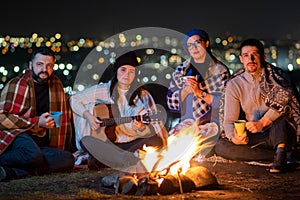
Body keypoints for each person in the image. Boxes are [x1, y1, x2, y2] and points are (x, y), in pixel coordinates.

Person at [70, 51, 168, 169]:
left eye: (132, 71)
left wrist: (141, 128)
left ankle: (109, 160)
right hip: (108, 145)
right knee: (86, 141)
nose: (127, 74)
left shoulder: (143, 96)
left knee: (155, 141)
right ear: (116, 71)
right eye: (123, 70)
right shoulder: (103, 90)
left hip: (131, 144)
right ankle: (124, 159)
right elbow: (74, 99)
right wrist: (88, 116)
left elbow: (154, 127)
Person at [215, 38, 300, 173]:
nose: (251, 59)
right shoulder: (234, 84)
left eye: (255, 54)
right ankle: (280, 156)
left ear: (263, 57)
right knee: (221, 146)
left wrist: (262, 123)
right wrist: (234, 137)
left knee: (283, 120)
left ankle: (282, 151)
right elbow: (229, 120)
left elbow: (287, 102)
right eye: (246, 55)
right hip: (254, 136)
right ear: (241, 59)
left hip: (277, 133)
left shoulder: (277, 78)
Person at [0, 47, 74, 182]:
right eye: (39, 64)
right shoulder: (17, 84)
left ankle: (11, 172)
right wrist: (36, 122)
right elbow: (2, 117)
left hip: (41, 145)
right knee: (32, 155)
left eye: (49, 65)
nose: (44, 69)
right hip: (18, 135)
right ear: (30, 65)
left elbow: (62, 118)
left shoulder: (56, 84)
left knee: (67, 159)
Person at [166, 28, 230, 158]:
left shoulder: (220, 71)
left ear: (206, 43)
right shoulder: (181, 70)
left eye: (197, 43)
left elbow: (225, 104)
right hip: (186, 123)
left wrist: (199, 92)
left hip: (211, 125)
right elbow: (171, 102)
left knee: (197, 149)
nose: (194, 48)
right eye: (189, 45)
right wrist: (185, 91)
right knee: (170, 147)